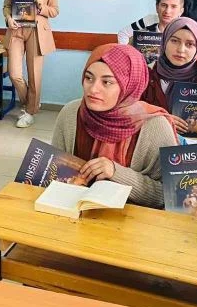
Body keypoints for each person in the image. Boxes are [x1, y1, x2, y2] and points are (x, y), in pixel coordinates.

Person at [51, 44, 178, 208]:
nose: (93, 89)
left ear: (129, 85)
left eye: (107, 82)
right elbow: (52, 171)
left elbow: (170, 195)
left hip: (132, 218)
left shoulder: (155, 126)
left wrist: (116, 173)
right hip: (72, 212)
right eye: (89, 78)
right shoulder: (70, 113)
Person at [3, 0, 59, 128]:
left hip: (37, 32)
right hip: (17, 30)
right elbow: (7, 5)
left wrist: (42, 6)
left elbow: (55, 11)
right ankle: (31, 103)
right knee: (14, 73)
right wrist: (8, 18)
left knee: (34, 74)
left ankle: (29, 112)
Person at [117, 0, 185, 44]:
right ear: (157, 7)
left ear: (181, 11)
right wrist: (127, 53)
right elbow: (123, 33)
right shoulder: (149, 20)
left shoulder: (185, 28)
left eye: (173, 7)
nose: (167, 11)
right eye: (164, 5)